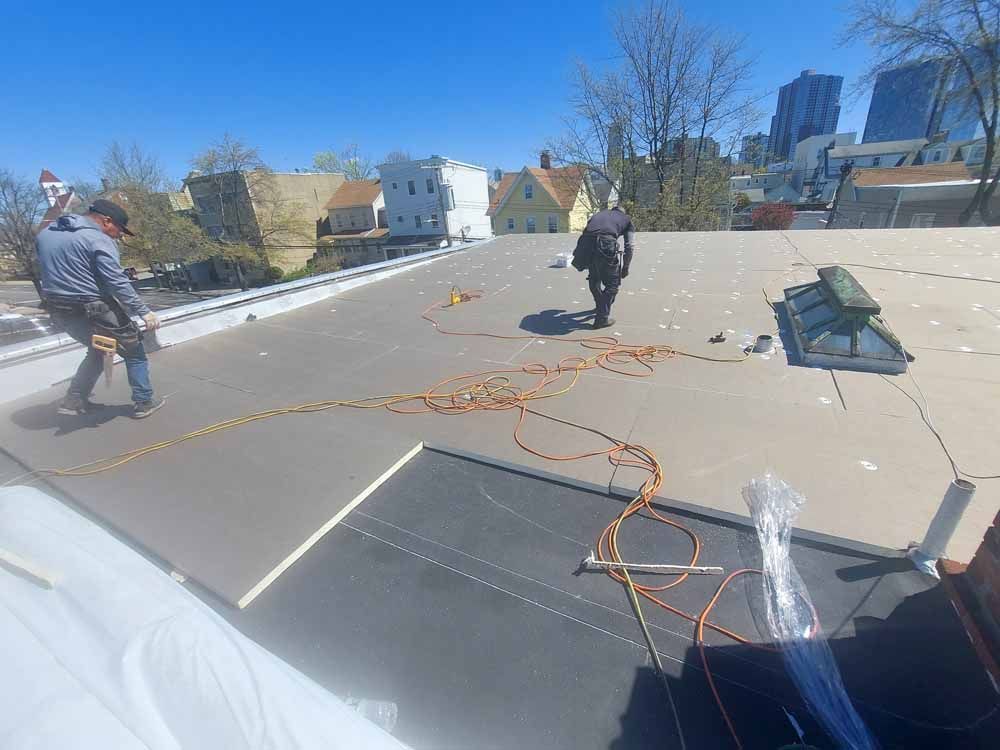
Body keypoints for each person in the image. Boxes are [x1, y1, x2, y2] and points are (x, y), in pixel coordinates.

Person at [35, 199, 165, 418]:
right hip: (94, 306)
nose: (119, 235)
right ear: (106, 221)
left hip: (58, 308)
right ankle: (144, 401)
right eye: (119, 229)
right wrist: (143, 311)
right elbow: (115, 280)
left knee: (99, 349)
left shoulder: (46, 234)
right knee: (134, 352)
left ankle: (74, 400)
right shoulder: (97, 239)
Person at [575, 206, 635, 329]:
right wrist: (625, 268)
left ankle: (600, 304)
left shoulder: (599, 215)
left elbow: (587, 233)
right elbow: (630, 246)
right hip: (605, 244)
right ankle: (601, 319)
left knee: (594, 277)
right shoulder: (626, 219)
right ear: (623, 213)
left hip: (586, 244)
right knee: (612, 285)